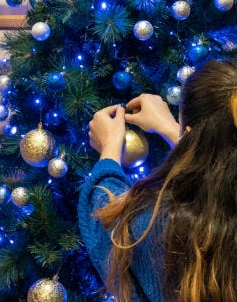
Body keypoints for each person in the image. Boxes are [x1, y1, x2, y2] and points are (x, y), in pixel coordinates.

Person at [78, 59, 236, 301]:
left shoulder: (166, 225)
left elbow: (109, 226)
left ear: (191, 134)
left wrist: (109, 148)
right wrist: (173, 129)